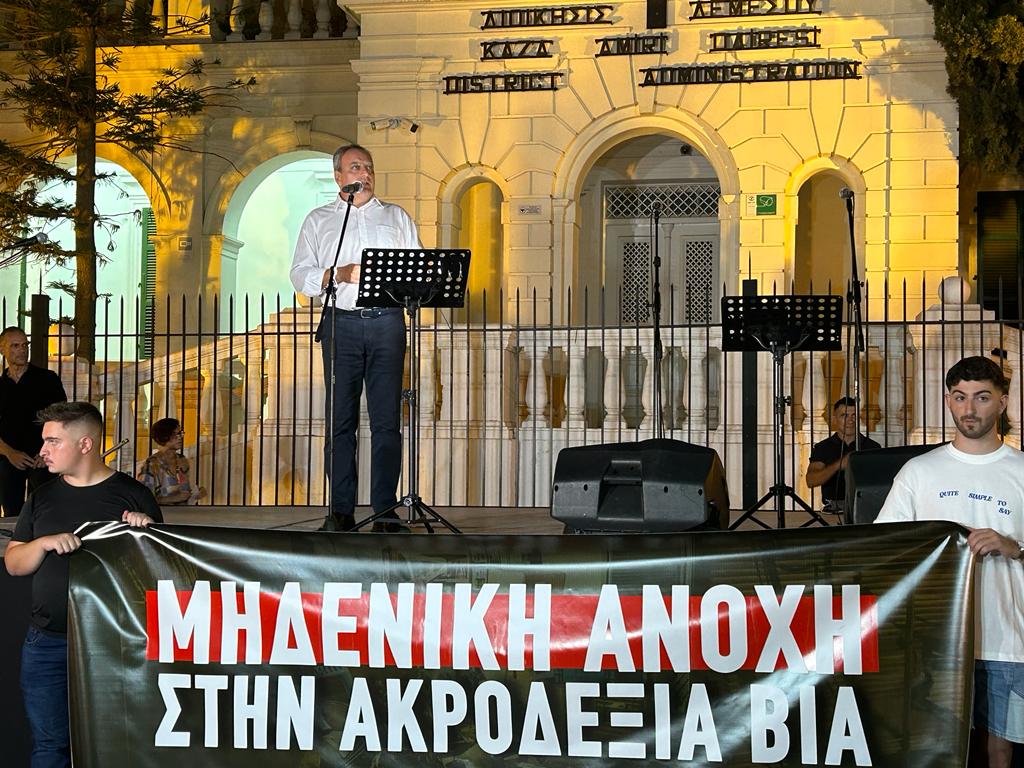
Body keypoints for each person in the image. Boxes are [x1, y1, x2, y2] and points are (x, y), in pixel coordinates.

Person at [876, 357, 1024, 768]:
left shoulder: (1020, 471)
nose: (970, 409)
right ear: (948, 400)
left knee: (1001, 749)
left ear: (1003, 402)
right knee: (935, 745)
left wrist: (1014, 548)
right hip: (934, 640)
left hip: (1007, 638)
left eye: (981, 398)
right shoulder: (919, 472)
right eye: (960, 398)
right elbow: (887, 546)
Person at [4, 401, 162, 767]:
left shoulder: (133, 495)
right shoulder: (41, 496)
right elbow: (13, 564)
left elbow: (158, 573)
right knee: (48, 746)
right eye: (44, 442)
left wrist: (146, 534)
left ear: (85, 445)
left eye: (53, 441)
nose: (42, 451)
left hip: (113, 644)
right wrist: (42, 543)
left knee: (114, 744)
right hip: (46, 642)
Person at [289, 144, 415, 532]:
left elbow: (416, 267)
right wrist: (337, 274)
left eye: (370, 166)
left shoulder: (395, 216)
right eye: (356, 166)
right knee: (340, 421)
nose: (365, 172)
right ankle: (341, 510)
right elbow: (299, 274)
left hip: (387, 322)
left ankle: (385, 510)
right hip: (340, 323)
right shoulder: (320, 220)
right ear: (339, 176)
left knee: (386, 421)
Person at [0, 327, 67, 516]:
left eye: (25, 345)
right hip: (8, 459)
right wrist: (10, 453)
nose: (22, 350)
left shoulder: (47, 379)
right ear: (2, 349)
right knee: (11, 513)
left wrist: (46, 452)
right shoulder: (1, 385)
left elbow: (62, 418)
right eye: (15, 346)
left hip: (43, 458)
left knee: (43, 512)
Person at [806, 395, 881, 511]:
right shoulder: (822, 447)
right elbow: (811, 481)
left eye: (854, 415)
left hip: (865, 505)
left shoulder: (872, 446)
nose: (850, 420)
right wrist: (838, 465)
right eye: (844, 415)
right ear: (835, 419)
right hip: (834, 508)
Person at [136, 417, 206, 505]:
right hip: (163, 514)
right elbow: (144, 498)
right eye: (175, 434)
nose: (180, 437)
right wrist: (173, 498)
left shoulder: (182, 460)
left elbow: (185, 491)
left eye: (180, 433)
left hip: (185, 514)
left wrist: (196, 494)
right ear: (164, 436)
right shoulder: (153, 464)